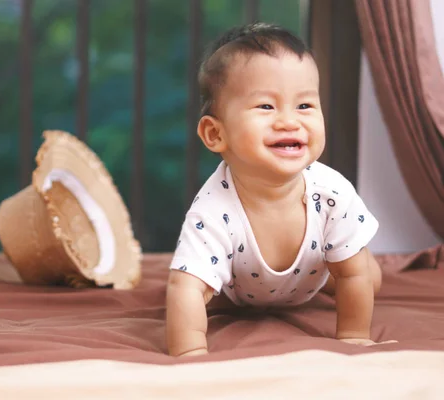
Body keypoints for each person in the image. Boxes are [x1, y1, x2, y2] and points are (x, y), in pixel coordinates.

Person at [166, 22, 390, 357]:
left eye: (304, 106)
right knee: (196, 284)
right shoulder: (213, 209)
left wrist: (354, 337)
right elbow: (184, 287)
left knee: (367, 276)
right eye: (266, 107)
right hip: (240, 288)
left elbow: (354, 274)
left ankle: (332, 272)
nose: (289, 121)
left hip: (316, 276)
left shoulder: (331, 192)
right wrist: (190, 353)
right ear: (215, 134)